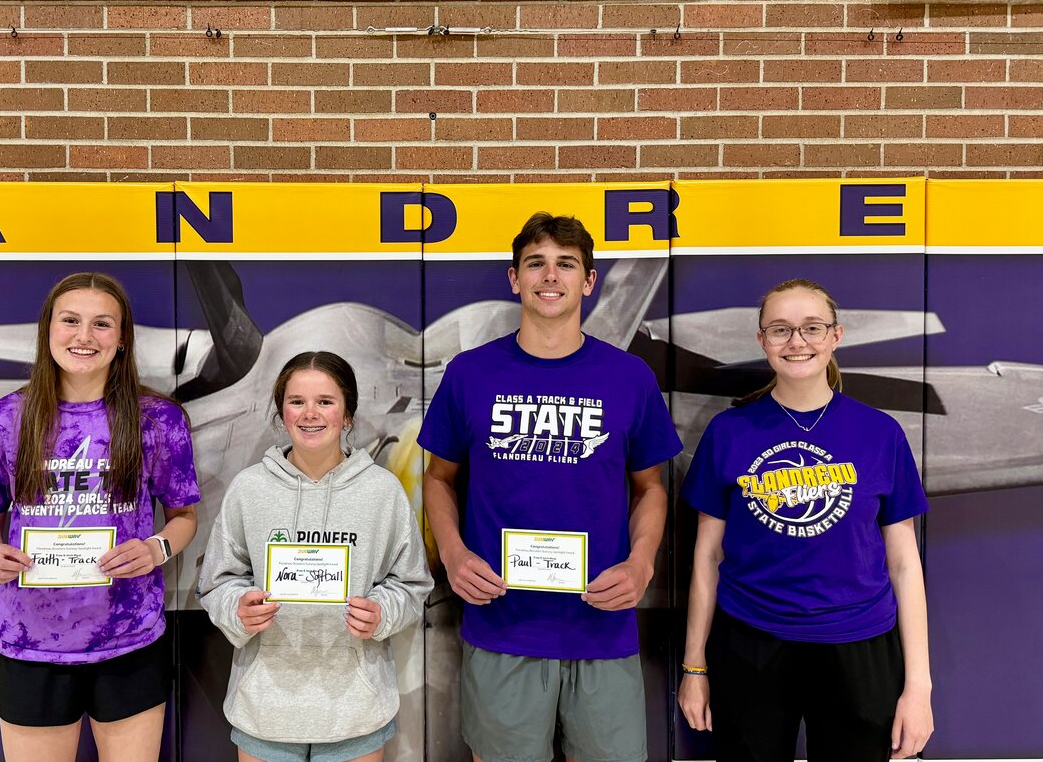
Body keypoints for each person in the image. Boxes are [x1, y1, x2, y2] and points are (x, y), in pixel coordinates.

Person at [419, 212, 683, 762]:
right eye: (535, 263)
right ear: (514, 278)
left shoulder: (629, 377)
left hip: (601, 624)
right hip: (502, 624)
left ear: (588, 281)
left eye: (566, 264)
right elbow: (439, 477)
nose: (550, 276)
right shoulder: (470, 374)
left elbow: (650, 488)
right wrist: (453, 552)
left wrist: (641, 564)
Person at [677, 278, 934, 762]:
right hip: (750, 641)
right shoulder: (728, 432)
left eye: (812, 328)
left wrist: (919, 687)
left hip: (859, 644)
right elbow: (707, 556)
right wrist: (694, 668)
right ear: (762, 340)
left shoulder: (880, 433)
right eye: (780, 329)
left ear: (836, 336)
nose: (797, 341)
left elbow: (904, 564)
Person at [0, 272, 200, 762]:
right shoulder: (3, 420)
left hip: (130, 639)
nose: (84, 336)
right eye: (70, 320)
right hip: (31, 642)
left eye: (102, 324)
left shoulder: (159, 419)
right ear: (48, 329)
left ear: (122, 337)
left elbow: (183, 516)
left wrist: (156, 549)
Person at [197, 350, 433, 762]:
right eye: (297, 401)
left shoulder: (382, 491)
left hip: (355, 711)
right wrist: (238, 608)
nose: (310, 414)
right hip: (265, 709)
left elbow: (411, 583)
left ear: (347, 414)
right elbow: (218, 581)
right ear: (281, 412)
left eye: (325, 401)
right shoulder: (249, 489)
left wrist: (382, 613)